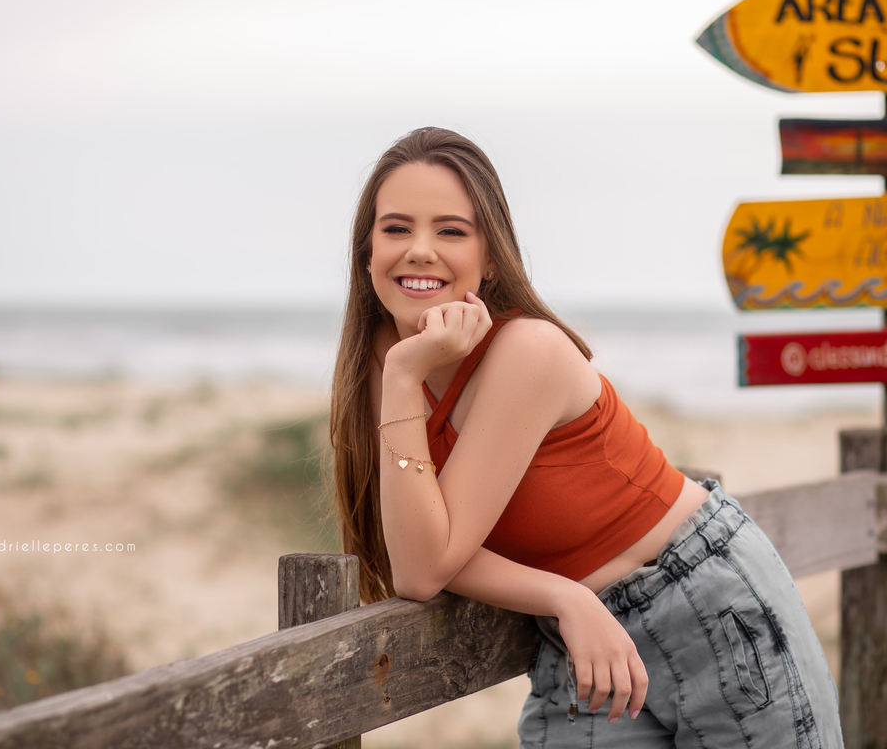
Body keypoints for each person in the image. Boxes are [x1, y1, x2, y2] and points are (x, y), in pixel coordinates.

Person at [329, 127, 843, 748]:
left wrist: (564, 597)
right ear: (366, 252)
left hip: (703, 601)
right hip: (579, 636)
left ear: (491, 258)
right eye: (396, 228)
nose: (419, 250)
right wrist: (563, 597)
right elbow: (418, 561)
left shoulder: (528, 352)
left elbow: (429, 561)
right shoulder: (387, 372)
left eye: (451, 230)